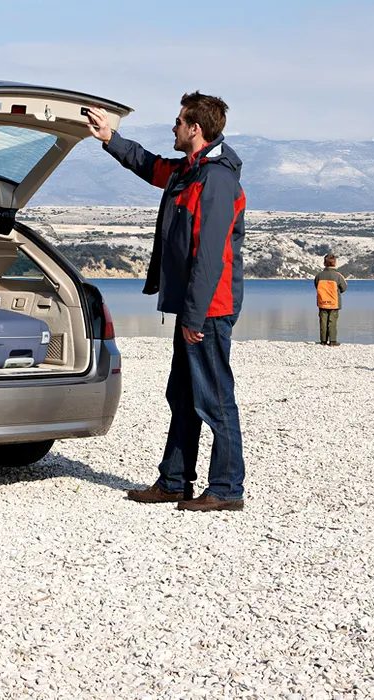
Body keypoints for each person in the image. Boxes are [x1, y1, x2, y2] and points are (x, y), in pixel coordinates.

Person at [87, 93, 247, 512]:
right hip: (194, 308)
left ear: (195, 128)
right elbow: (150, 165)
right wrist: (110, 137)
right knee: (182, 394)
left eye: (178, 122)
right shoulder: (189, 171)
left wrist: (194, 316)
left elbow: (210, 255)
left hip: (209, 309)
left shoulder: (216, 180)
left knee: (214, 398)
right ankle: (174, 481)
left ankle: (227, 488)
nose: (173, 127)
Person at [313, 253, 347, 346]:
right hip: (334, 302)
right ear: (335, 263)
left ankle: (323, 341)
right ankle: (332, 341)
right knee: (332, 321)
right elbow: (344, 287)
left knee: (323, 321)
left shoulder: (319, 275)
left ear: (324, 263)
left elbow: (316, 286)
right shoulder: (338, 276)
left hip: (322, 301)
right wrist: (337, 292)